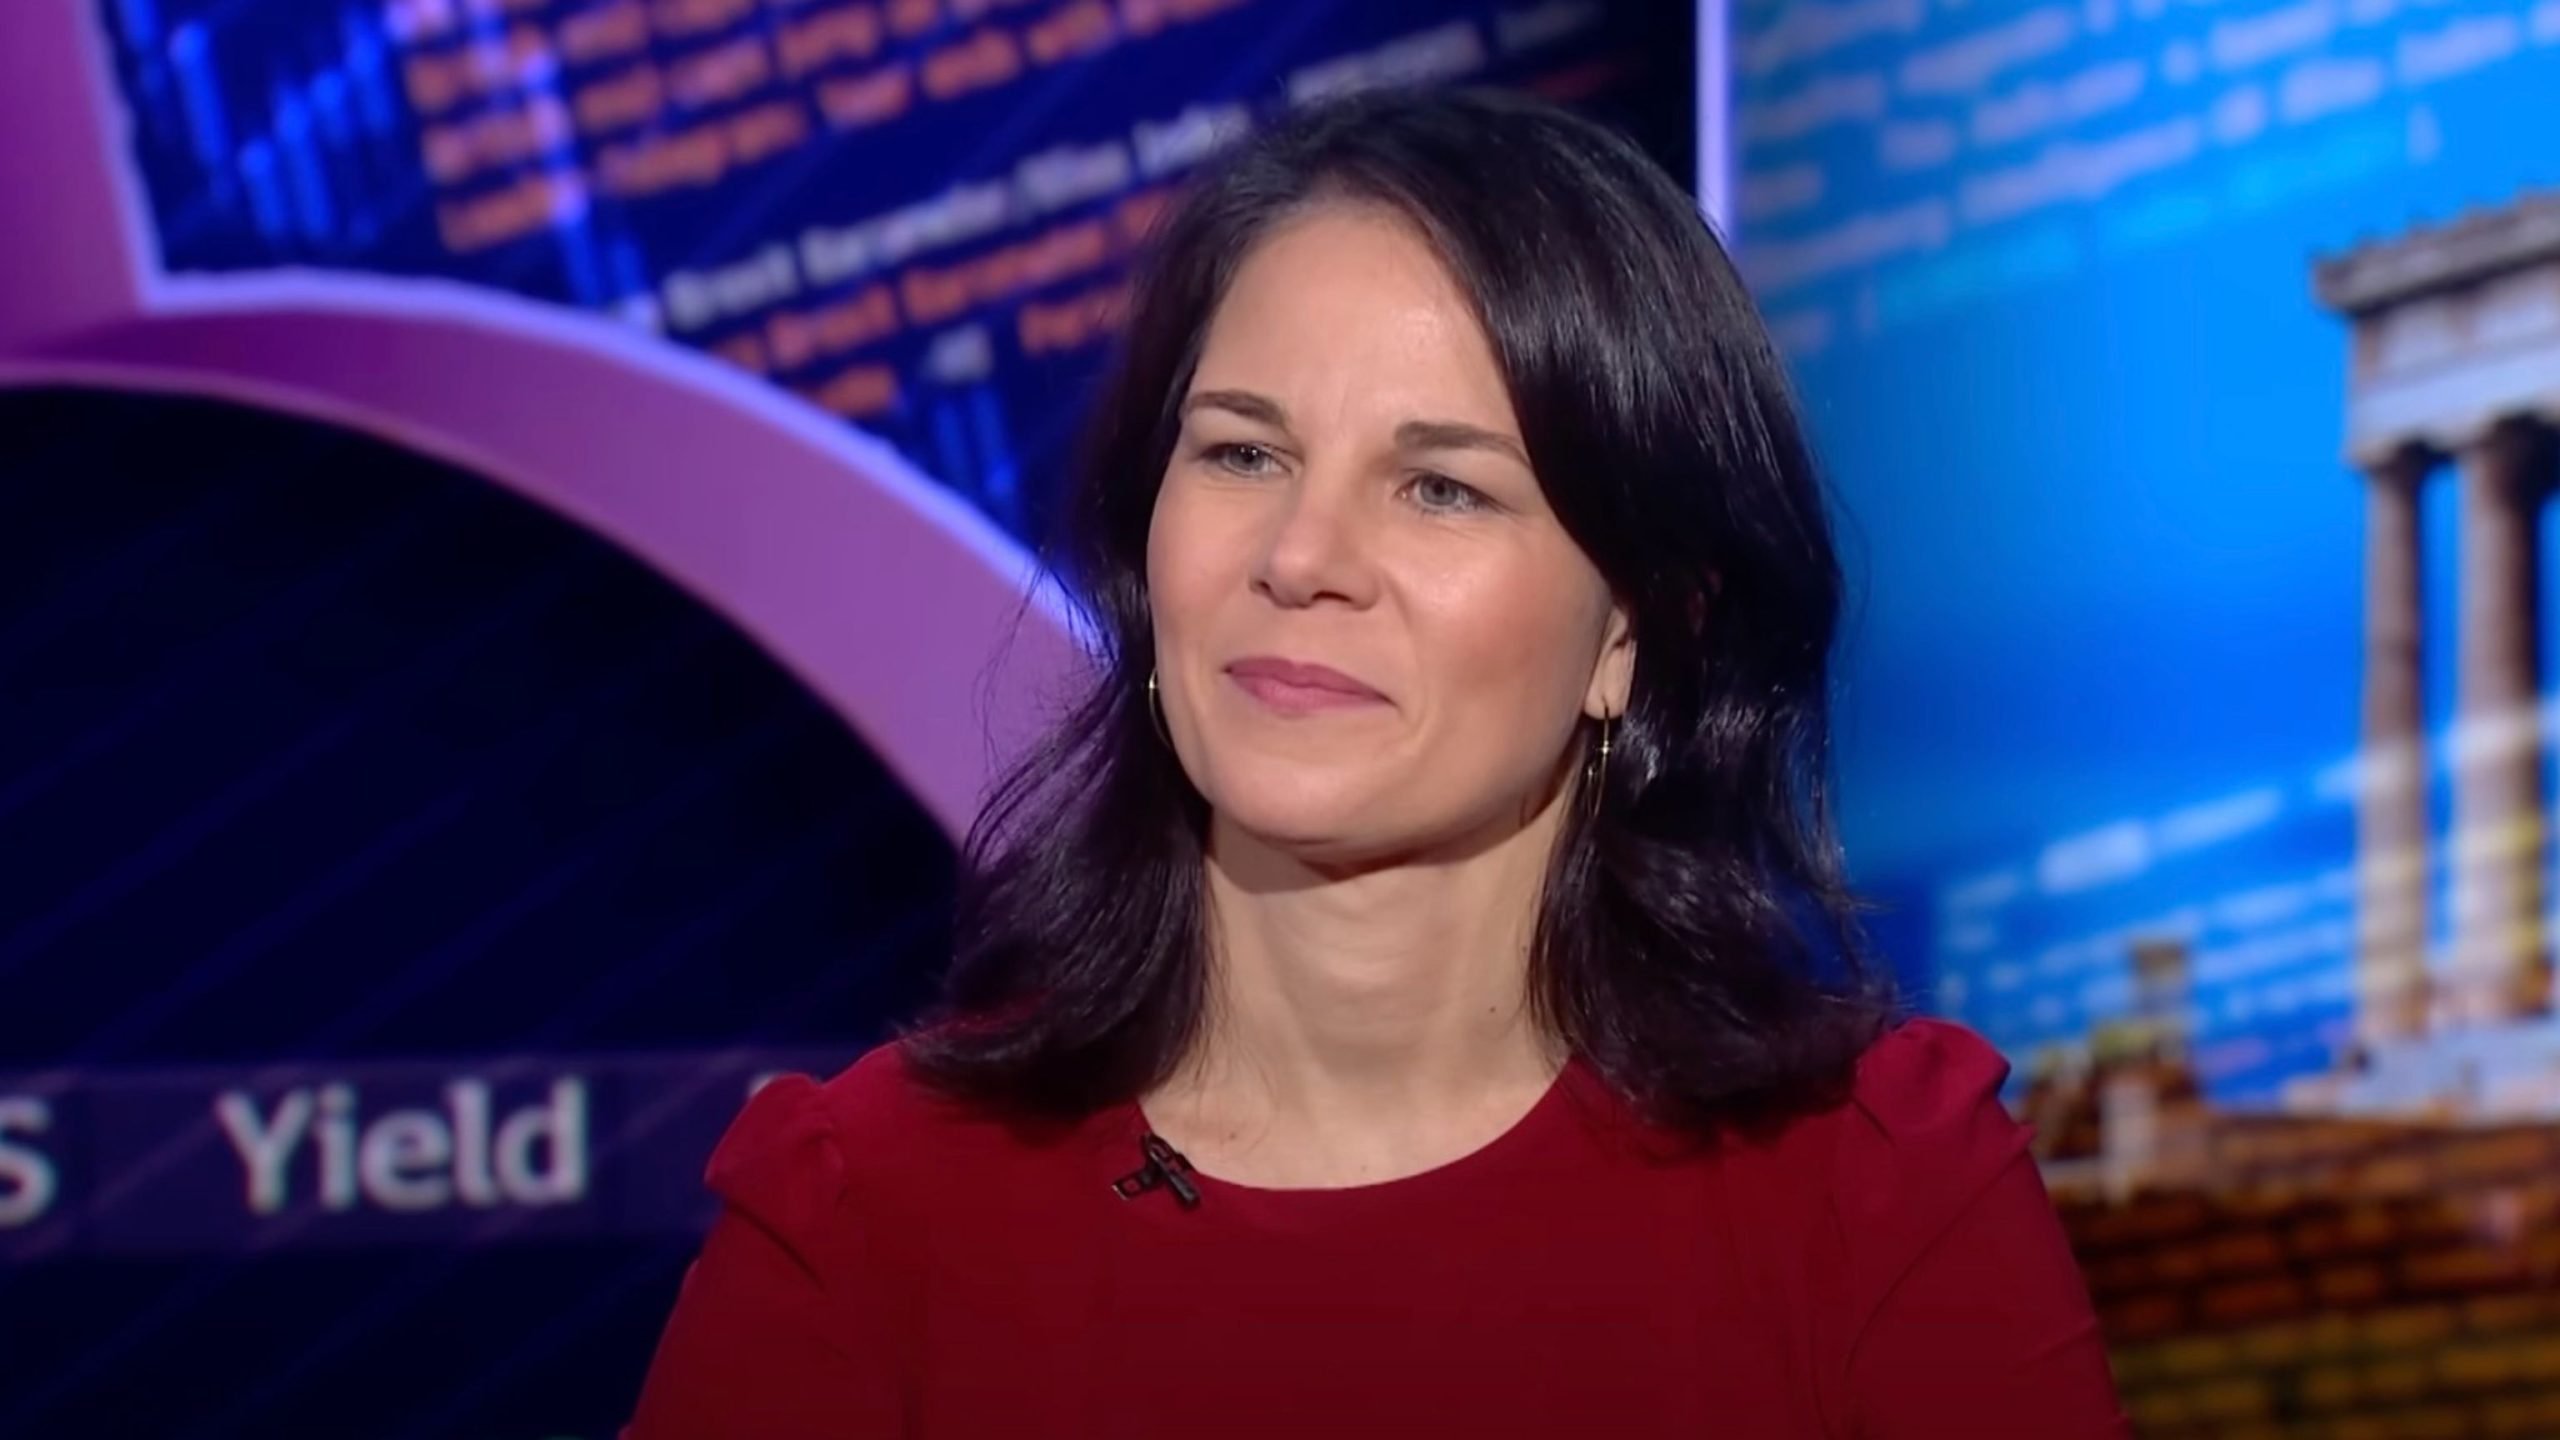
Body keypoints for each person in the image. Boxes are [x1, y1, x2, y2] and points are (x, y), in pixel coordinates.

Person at [627, 87, 2131, 1437]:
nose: (1300, 557)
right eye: (1241, 454)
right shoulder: (867, 1212)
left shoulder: (1871, 1189)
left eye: (1439, 488)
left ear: (1639, 632)